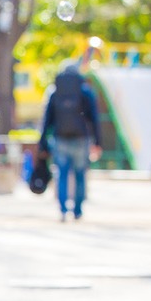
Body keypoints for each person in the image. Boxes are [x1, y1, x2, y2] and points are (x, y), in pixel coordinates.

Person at [38, 65, 102, 221]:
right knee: (80, 175)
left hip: (60, 139)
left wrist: (42, 142)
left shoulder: (55, 92)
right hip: (81, 139)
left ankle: (63, 209)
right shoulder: (85, 91)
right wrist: (98, 142)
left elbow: (47, 120)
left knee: (62, 174)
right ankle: (78, 210)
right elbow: (94, 118)